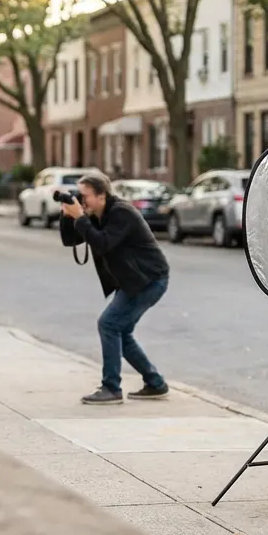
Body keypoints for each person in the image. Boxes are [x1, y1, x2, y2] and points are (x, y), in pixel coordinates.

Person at [59, 172, 171, 405]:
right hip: (133, 280)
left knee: (108, 324)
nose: (82, 200)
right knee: (121, 330)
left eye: (85, 196)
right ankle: (155, 383)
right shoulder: (98, 213)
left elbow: (103, 243)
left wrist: (81, 217)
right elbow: (71, 240)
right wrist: (69, 215)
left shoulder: (121, 213)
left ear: (102, 195)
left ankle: (111, 388)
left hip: (149, 279)